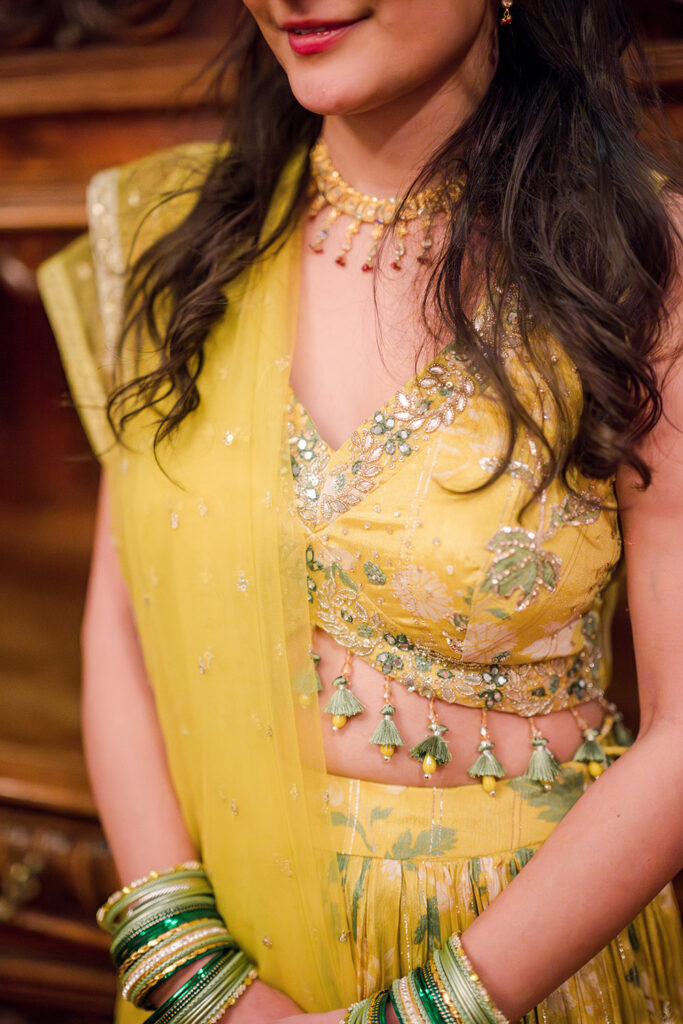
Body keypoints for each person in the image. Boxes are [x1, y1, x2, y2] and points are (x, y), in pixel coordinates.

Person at [38, 0, 683, 1022]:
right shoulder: (176, 237)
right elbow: (120, 622)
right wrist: (195, 974)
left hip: (526, 959)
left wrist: (425, 1011)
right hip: (226, 946)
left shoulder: (639, 262)